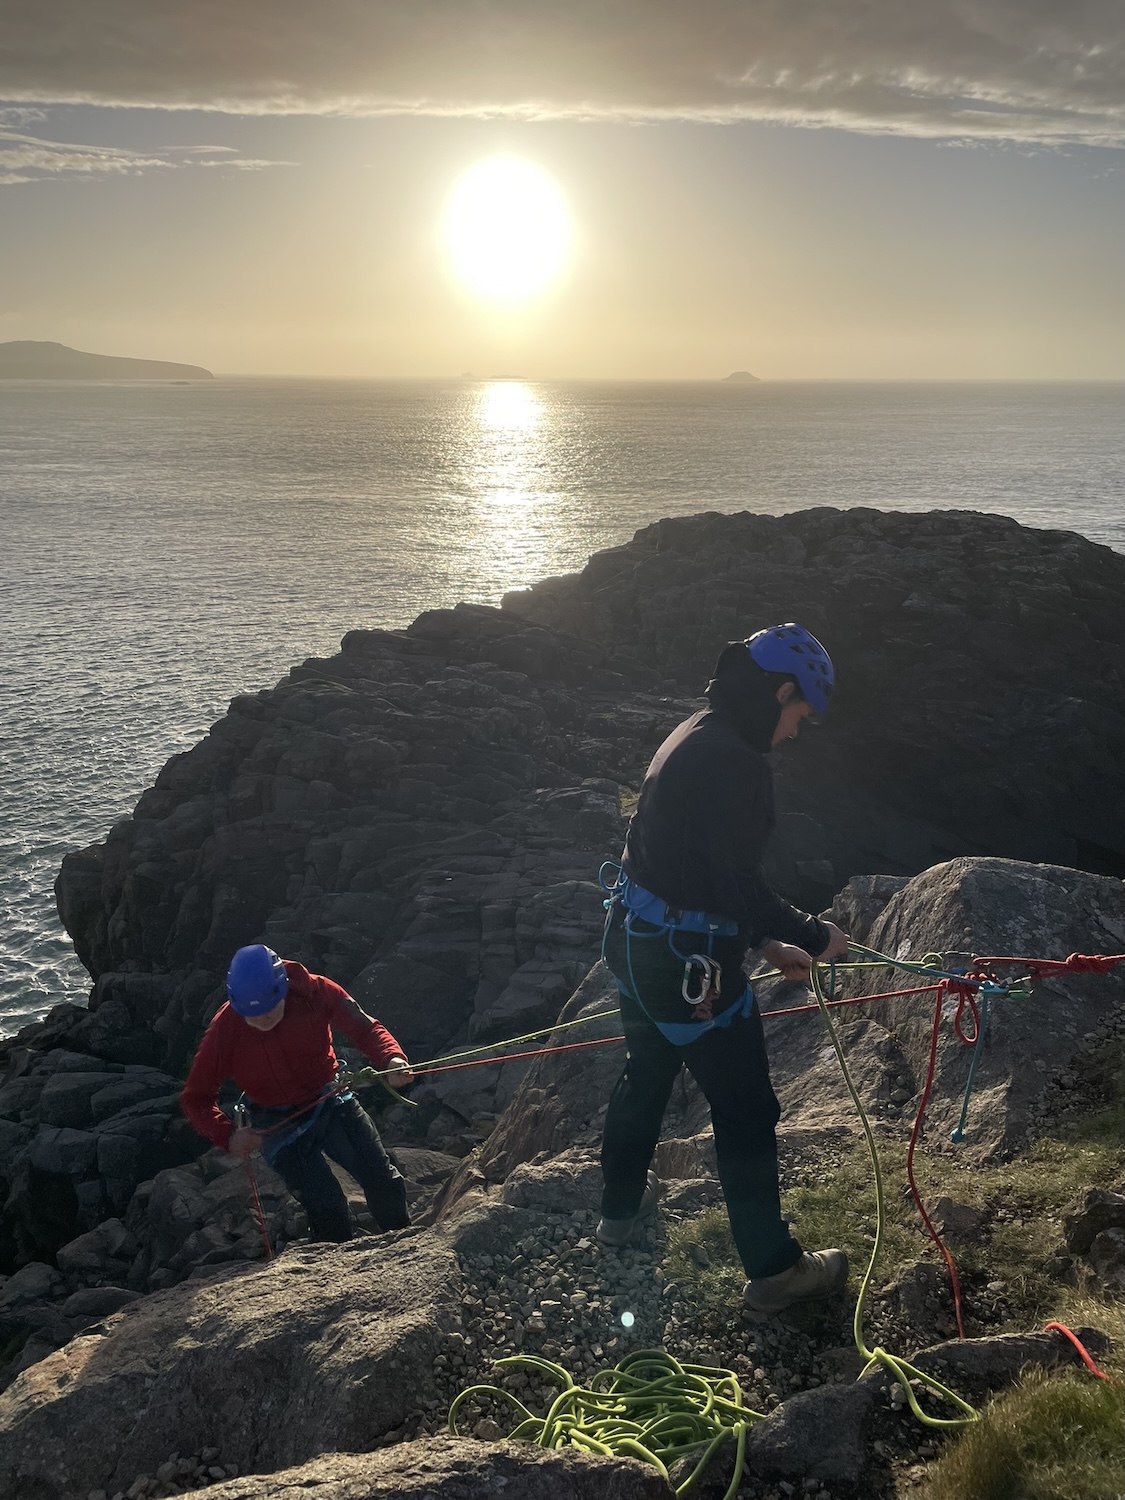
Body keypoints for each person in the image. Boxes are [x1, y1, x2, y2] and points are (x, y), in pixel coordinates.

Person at [597, 624, 852, 1316]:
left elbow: (690, 864)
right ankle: (773, 1269)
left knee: (645, 1071)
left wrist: (765, 946)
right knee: (746, 1108)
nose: (798, 730)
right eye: (801, 713)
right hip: (686, 965)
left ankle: (618, 1212)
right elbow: (735, 881)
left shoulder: (698, 729)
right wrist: (806, 931)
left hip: (633, 938)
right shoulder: (733, 762)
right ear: (780, 691)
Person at [181, 944, 415, 1242]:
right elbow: (196, 1098)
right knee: (327, 1205)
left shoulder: (316, 991)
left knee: (380, 1178)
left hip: (330, 1100)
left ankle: (404, 1241)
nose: (263, 1020)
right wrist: (227, 1135)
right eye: (253, 1016)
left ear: (283, 987)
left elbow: (365, 1029)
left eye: (269, 1010)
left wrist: (391, 1059)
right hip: (276, 1125)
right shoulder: (224, 1030)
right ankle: (334, 1270)